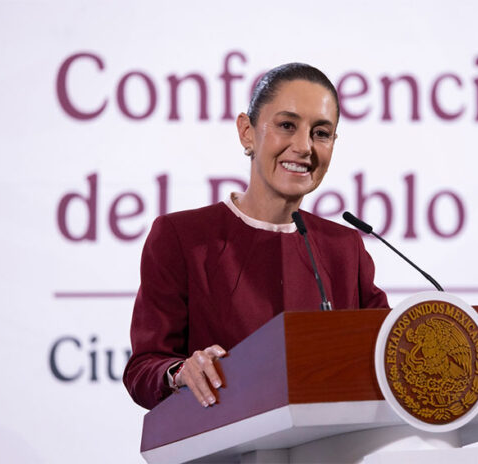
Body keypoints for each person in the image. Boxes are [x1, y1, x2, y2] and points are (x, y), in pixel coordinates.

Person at [123, 63, 389, 410]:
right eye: (286, 126)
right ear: (247, 132)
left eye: (321, 133)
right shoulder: (182, 238)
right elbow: (144, 367)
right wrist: (179, 372)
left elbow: (389, 352)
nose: (304, 146)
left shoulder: (344, 247)